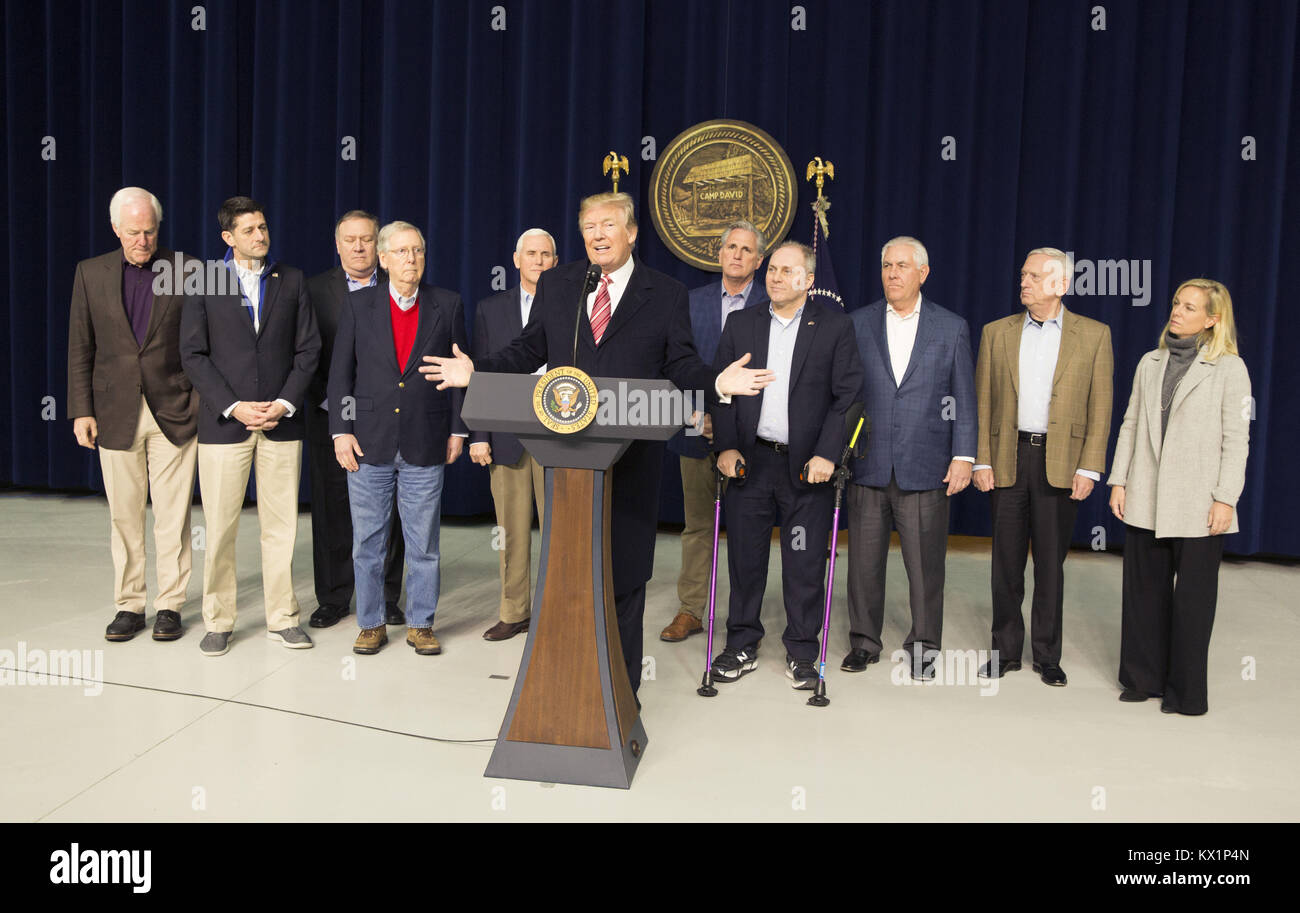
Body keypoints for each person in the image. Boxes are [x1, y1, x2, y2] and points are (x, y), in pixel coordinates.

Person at [420, 191, 774, 699]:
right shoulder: (561, 283)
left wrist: (717, 383)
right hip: (566, 459)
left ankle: (621, 692)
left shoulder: (666, 292)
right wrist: (478, 371)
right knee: (569, 577)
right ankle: (569, 685)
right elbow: (528, 349)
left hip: (631, 457)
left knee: (624, 576)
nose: (597, 235)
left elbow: (679, 365)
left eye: (608, 225)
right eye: (588, 227)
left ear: (631, 233)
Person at [709, 241, 864, 689]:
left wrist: (828, 454)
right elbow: (721, 389)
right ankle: (741, 643)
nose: (775, 277)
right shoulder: (742, 324)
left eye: (787, 271)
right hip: (750, 461)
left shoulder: (834, 327)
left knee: (803, 561)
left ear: (808, 281)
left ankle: (801, 650)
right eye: (772, 269)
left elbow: (848, 397)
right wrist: (725, 447)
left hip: (806, 467)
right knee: (745, 558)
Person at [180, 196, 320, 656]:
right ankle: (218, 621)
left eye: (263, 227)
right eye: (249, 230)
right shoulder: (203, 281)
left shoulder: (292, 280)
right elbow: (193, 355)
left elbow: (308, 351)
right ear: (228, 238)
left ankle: (283, 618)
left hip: (281, 422)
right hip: (226, 424)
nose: (260, 236)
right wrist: (234, 405)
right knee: (220, 526)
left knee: (281, 526)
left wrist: (282, 403)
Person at [1108, 279, 1250, 715]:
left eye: (1190, 307)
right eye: (1176, 303)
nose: (1177, 312)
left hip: (1199, 500)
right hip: (1146, 493)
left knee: (1192, 603)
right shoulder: (1150, 362)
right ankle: (1141, 678)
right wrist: (1119, 480)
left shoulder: (1230, 368)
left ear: (1212, 319)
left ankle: (1185, 693)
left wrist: (1226, 498)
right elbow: (1130, 423)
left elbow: (1237, 439)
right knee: (1144, 593)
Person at [972, 247, 1112, 686]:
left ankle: (1047, 656)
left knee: (1051, 564)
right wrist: (982, 458)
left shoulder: (1093, 335)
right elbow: (982, 403)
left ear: (1061, 285)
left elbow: (1101, 405)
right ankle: (1005, 651)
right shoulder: (997, 332)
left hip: (1061, 462)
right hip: (1009, 457)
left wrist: (1090, 467)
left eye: (1034, 276)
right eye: (1023, 275)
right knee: (1006, 562)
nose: (1024, 282)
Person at [67, 187, 200, 643]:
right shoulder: (90, 273)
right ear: (115, 229)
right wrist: (81, 409)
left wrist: (199, 400)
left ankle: (170, 605)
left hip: (175, 409)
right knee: (124, 516)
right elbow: (80, 347)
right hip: (113, 411)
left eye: (150, 231)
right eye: (133, 232)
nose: (142, 240)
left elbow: (203, 344)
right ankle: (129, 604)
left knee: (173, 515)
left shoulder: (187, 270)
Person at [329, 221, 467, 656]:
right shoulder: (357, 305)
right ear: (383, 259)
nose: (411, 260)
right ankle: (370, 622)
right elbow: (341, 376)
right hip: (368, 443)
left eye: (418, 252)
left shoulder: (448, 304)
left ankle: (421, 623)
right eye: (402, 252)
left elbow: (460, 374)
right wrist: (341, 432)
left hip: (426, 439)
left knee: (423, 543)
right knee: (368, 542)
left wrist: (458, 428)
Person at [842, 236, 975, 680]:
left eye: (902, 265)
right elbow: (843, 394)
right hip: (867, 462)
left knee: (925, 565)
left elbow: (965, 398)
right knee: (863, 562)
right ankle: (863, 641)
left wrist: (964, 455)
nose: (892, 273)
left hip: (927, 464)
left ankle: (925, 644)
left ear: (923, 272)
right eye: (886, 265)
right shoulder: (857, 323)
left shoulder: (951, 327)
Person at [660, 221, 770, 644]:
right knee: (698, 527)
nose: (738, 254)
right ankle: (690, 611)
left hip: (750, 440)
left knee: (748, 531)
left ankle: (744, 620)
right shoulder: (688, 303)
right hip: (695, 431)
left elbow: (776, 377)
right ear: (719, 253)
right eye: (731, 247)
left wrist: (729, 424)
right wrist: (696, 417)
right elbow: (672, 364)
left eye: (747, 249)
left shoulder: (772, 303)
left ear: (759, 260)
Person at [304, 210, 406, 629]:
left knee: (391, 511)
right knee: (332, 508)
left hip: (387, 417)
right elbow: (305, 355)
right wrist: (338, 414)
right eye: (351, 240)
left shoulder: (399, 286)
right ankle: (333, 596)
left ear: (378, 246)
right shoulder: (312, 290)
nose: (360, 247)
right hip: (331, 416)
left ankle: (387, 594)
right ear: (338, 243)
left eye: (367, 239)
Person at [469, 228, 556, 641]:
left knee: (561, 531)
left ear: (555, 262)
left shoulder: (574, 306)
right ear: (517, 260)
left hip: (561, 436)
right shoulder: (490, 309)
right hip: (505, 436)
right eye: (531, 254)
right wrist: (479, 434)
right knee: (511, 532)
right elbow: (481, 376)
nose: (538, 261)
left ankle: (557, 610)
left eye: (546, 255)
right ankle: (514, 610)